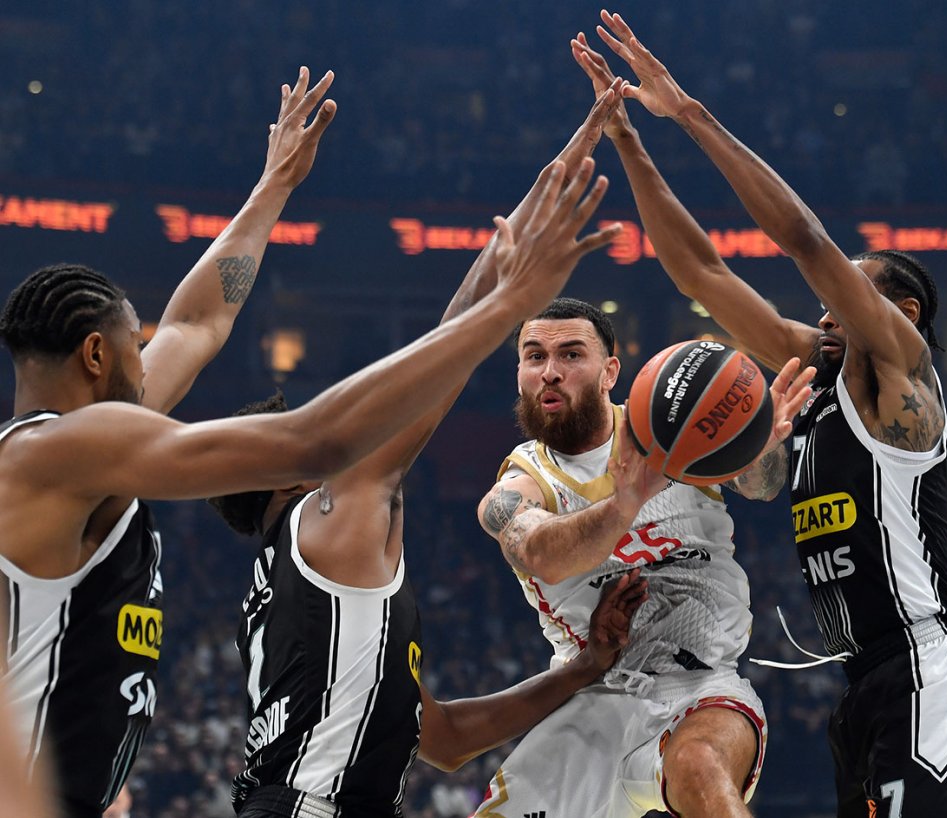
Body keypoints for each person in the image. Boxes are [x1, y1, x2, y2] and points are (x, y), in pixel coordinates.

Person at [0, 62, 621, 818]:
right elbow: (318, 439)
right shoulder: (52, 454)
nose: (151, 359)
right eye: (138, 344)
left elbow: (199, 322)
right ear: (97, 357)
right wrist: (510, 304)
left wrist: (273, 186)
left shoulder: (88, 454)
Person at [584, 10, 947, 816]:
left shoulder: (903, 376)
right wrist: (629, 139)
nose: (824, 310)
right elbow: (700, 274)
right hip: (862, 683)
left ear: (903, 313)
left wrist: (689, 114)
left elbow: (805, 239)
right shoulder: (816, 376)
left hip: (923, 668)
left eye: (848, 295)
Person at [204, 87, 644, 818]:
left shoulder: (301, 578)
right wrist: (520, 273)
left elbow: (443, 739)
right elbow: (441, 356)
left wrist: (584, 668)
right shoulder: (330, 517)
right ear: (285, 476)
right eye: (300, 437)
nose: (326, 438)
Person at [474, 295, 814, 818]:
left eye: (570, 355)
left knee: (700, 765)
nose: (550, 372)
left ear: (610, 372)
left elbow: (762, 487)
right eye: (534, 356)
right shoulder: (519, 486)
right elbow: (543, 555)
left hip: (702, 685)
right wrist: (625, 502)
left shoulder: (673, 428)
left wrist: (756, 444)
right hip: (591, 697)